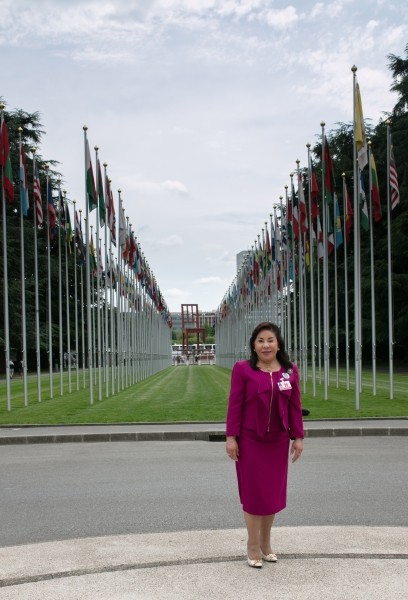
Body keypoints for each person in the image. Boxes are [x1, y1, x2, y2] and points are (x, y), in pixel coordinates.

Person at [225, 322, 304, 568]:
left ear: (278, 344)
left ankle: (266, 543)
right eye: (260, 340)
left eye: (270, 340)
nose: (265, 345)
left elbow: (295, 406)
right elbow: (234, 404)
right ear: (253, 345)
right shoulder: (243, 370)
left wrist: (298, 437)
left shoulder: (289, 371)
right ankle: (252, 544)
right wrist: (231, 437)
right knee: (253, 494)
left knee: (271, 495)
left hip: (277, 443)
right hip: (250, 442)